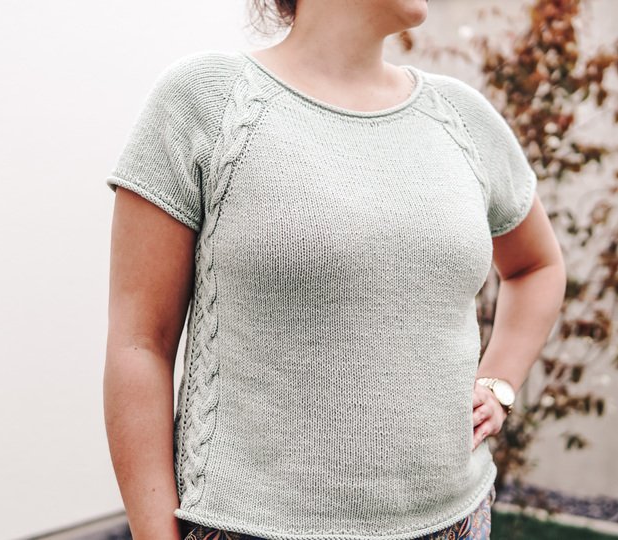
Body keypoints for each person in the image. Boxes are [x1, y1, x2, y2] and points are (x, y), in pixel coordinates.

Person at [102, 0, 566, 539]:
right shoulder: (206, 101)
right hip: (248, 526)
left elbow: (537, 265)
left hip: (454, 522)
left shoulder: (461, 117)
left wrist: (499, 382)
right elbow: (140, 344)